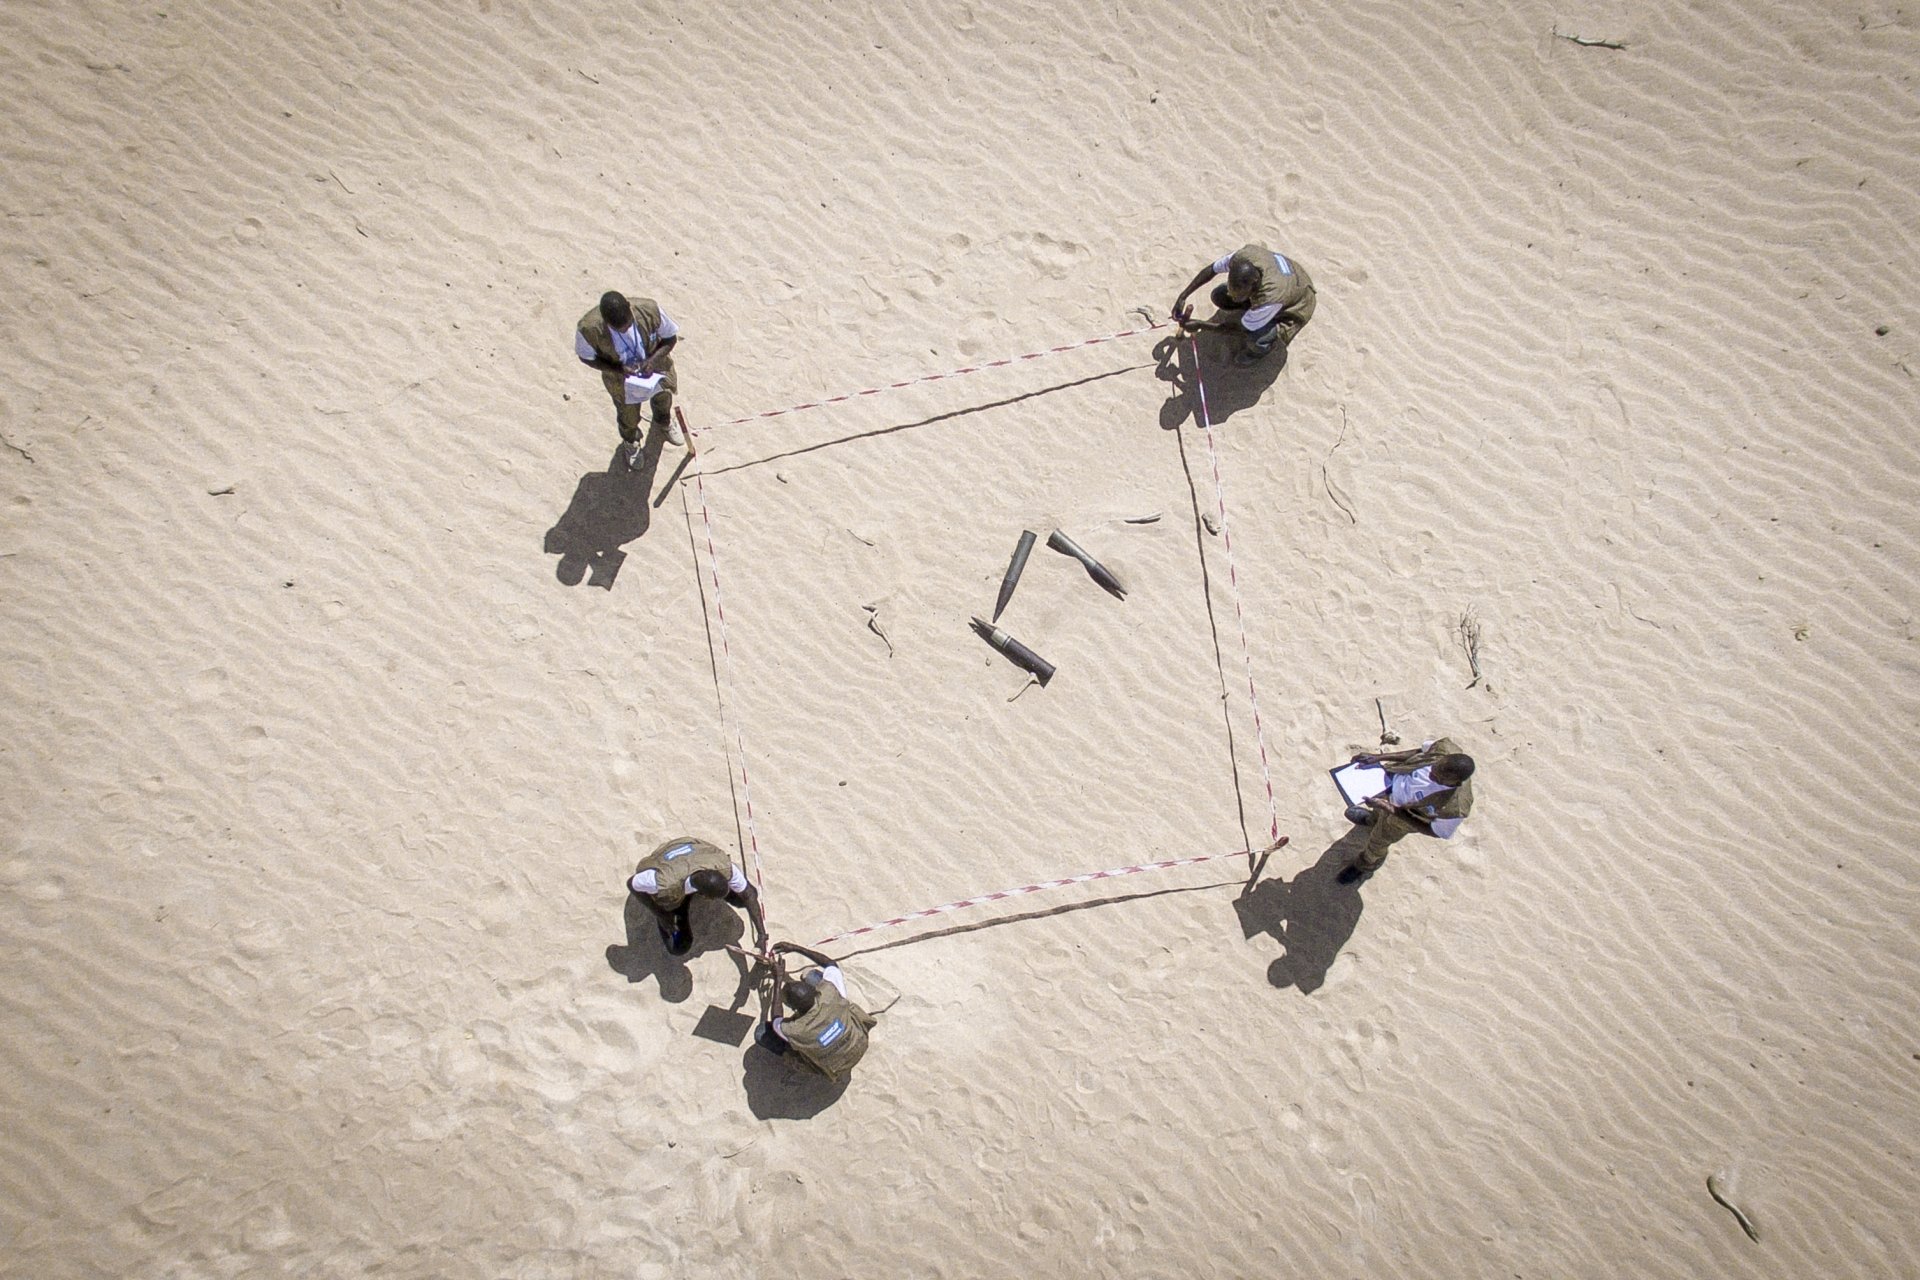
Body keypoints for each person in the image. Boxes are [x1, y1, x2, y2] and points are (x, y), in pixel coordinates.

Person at [1338, 738, 1475, 883]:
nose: (1431, 775)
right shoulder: (1444, 750)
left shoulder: (1455, 808)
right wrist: (1379, 757)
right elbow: (1418, 753)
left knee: (1377, 842)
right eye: (1434, 768)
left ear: (1457, 783)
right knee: (1377, 812)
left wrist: (1390, 809)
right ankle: (1371, 820)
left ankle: (1364, 865)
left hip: (1401, 820)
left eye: (1438, 779)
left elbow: (1435, 831)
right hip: (1387, 790)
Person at [576, 290, 684, 463]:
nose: (625, 329)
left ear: (629, 306)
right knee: (628, 417)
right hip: (622, 382)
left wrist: (653, 361)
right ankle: (631, 441)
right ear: (605, 321)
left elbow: (670, 338)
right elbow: (586, 357)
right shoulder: (588, 329)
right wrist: (618, 368)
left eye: (628, 323)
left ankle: (663, 421)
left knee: (663, 399)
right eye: (618, 329)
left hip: (656, 370)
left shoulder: (649, 310)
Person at [1170, 243, 1316, 366]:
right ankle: (1253, 313)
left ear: (1253, 284)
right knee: (1219, 296)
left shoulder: (1270, 298)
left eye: (1239, 294)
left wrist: (1201, 325)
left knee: (1257, 337)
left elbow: (1241, 330)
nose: (1233, 296)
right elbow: (1211, 270)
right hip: (1283, 277)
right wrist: (1183, 295)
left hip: (1299, 301)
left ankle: (1260, 351)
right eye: (1232, 290)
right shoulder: (1241, 258)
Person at [626, 836, 766, 956]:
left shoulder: (722, 865)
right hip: (669, 871)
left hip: (693, 858)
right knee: (679, 947)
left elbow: (749, 895)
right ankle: (670, 914)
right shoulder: (660, 881)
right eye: (712, 898)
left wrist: (761, 935)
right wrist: (661, 914)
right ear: (702, 894)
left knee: (743, 899)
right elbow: (632, 884)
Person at [757, 941, 876, 1082]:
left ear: (793, 1009)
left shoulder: (794, 1030)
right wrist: (797, 947)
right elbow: (831, 963)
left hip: (836, 1067)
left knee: (761, 1033)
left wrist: (778, 981)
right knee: (811, 975)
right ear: (816, 992)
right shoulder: (831, 994)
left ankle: (794, 1058)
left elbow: (776, 1019)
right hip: (860, 1042)